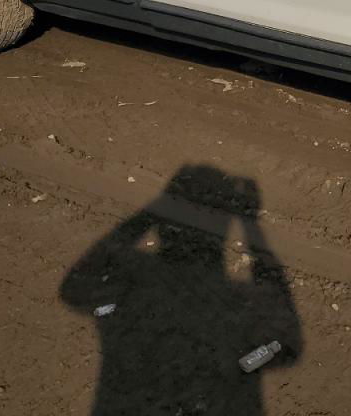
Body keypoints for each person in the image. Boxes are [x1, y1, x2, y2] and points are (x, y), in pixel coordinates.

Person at [60, 165, 302, 415]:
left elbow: (75, 288)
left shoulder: (135, 288)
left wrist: (151, 212)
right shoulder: (234, 302)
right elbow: (286, 342)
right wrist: (252, 228)